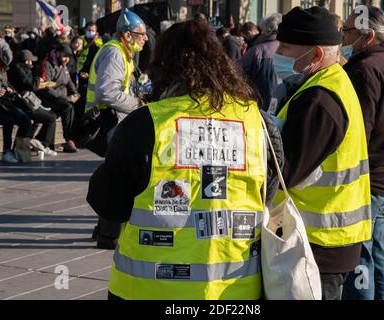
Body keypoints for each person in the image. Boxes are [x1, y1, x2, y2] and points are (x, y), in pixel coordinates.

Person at [87, 18, 283, 300]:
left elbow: (109, 203)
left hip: (148, 289)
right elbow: (268, 193)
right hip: (235, 290)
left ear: (164, 67)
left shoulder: (146, 123)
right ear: (223, 64)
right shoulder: (258, 123)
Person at [274, 6, 371, 300]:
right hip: (327, 241)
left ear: (315, 55)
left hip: (319, 245)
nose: (277, 52)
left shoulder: (319, 100)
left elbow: (286, 171)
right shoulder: (330, 81)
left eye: (285, 47)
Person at [340, 6, 384, 300]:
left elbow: (358, 133)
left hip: (367, 175)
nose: (342, 37)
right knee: (378, 247)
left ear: (366, 36)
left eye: (347, 32)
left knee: (361, 255)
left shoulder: (363, 69)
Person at [86, 8, 148, 250]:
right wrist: (138, 104)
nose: (144, 38)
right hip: (110, 121)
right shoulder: (114, 53)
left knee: (115, 173)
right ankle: (108, 234)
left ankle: (104, 228)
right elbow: (106, 92)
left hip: (115, 120)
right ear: (126, 34)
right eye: (140, 34)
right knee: (119, 176)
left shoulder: (123, 52)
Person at [8, 49, 58, 157]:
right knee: (51, 117)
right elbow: (31, 86)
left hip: (24, 103)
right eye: (30, 61)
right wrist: (37, 79)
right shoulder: (21, 70)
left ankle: (37, 142)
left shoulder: (16, 68)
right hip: (24, 104)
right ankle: (43, 143)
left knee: (44, 117)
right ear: (26, 61)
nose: (32, 63)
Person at [0, 46, 32, 163]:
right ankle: (7, 151)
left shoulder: (0, 70)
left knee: (26, 119)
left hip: (3, 103)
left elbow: (5, 84)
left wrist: (7, 90)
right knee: (9, 120)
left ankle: (17, 150)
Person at [36, 44, 79, 153]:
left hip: (60, 97)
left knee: (73, 106)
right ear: (57, 53)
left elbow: (68, 81)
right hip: (47, 97)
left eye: (68, 57)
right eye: (65, 56)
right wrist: (66, 97)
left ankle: (43, 141)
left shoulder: (62, 64)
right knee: (67, 107)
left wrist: (75, 94)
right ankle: (68, 139)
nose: (66, 60)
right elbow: (46, 88)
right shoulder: (47, 64)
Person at [239, 13, 282, 110]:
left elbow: (238, 76)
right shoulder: (292, 50)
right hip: (285, 108)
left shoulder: (255, 51)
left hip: (259, 107)